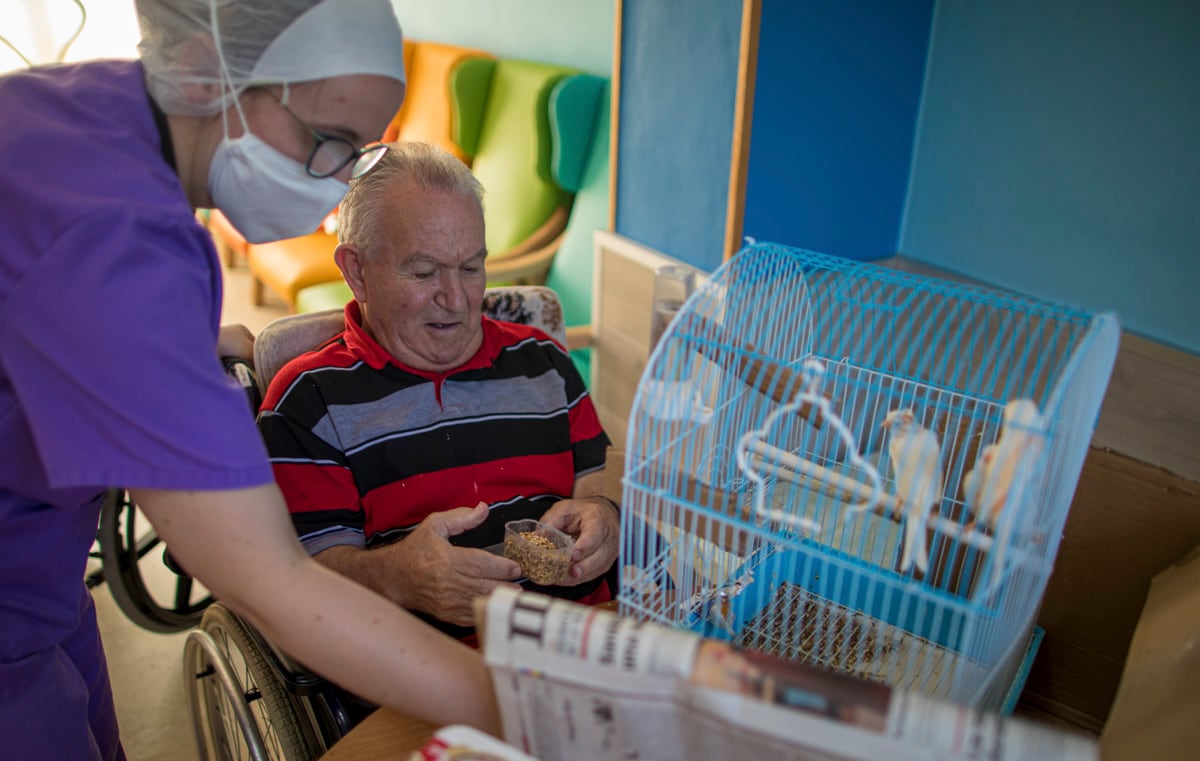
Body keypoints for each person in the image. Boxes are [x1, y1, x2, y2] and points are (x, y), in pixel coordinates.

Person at [0, 2, 500, 758]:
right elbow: (275, 584)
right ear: (210, 68)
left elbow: (44, 292)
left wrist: (182, 343)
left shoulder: (87, 112)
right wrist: (518, 704)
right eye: (328, 143)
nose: (336, 187)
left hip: (39, 577)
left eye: (358, 152)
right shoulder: (117, 245)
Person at [257, 140, 621, 642]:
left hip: (590, 637)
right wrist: (397, 578)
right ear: (356, 271)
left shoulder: (545, 363)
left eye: (471, 268)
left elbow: (597, 486)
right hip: (425, 668)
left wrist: (603, 518)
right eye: (424, 272)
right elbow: (300, 582)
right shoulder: (310, 402)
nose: (456, 299)